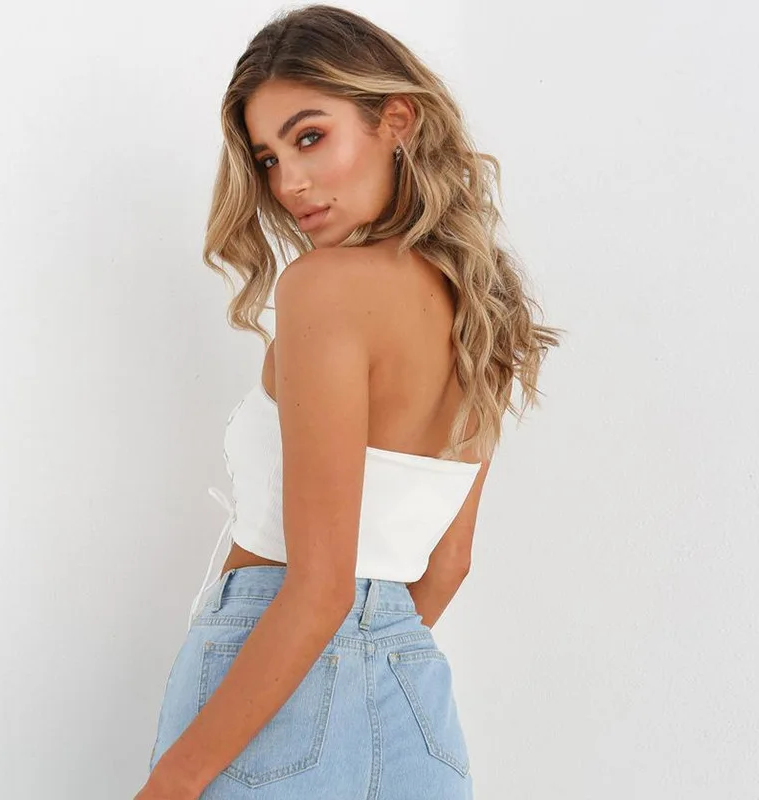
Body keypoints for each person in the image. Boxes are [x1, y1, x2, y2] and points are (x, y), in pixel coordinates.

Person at [136, 5, 562, 799]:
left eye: (309, 137)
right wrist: (362, 665)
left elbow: (322, 588)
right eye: (267, 158)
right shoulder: (482, 311)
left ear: (395, 119)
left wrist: (175, 780)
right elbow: (449, 564)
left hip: (269, 676)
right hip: (415, 708)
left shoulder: (323, 288)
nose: (288, 183)